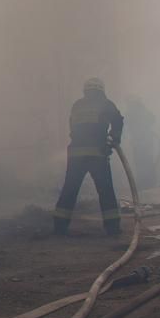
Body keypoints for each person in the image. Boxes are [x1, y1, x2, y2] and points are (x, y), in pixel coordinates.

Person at [53, 77, 124, 236]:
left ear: (85, 90)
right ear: (101, 90)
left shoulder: (77, 105)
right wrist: (113, 139)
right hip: (97, 154)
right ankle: (112, 228)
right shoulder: (105, 103)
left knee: (69, 189)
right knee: (105, 190)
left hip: (76, 154)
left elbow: (72, 128)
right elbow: (118, 121)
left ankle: (59, 227)